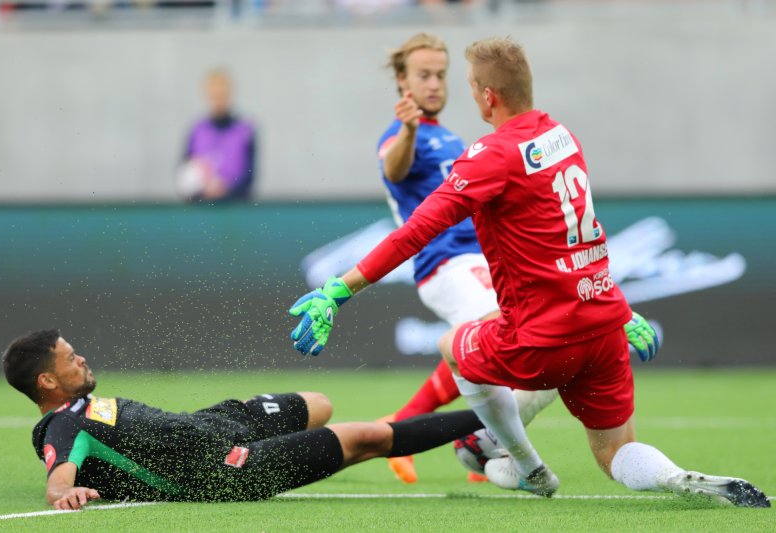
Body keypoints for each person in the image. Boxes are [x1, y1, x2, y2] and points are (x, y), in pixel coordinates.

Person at [288, 37, 770, 507]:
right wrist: (622, 311)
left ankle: (522, 462)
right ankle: (670, 476)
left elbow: (415, 233)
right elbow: (589, 236)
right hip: (601, 325)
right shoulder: (562, 137)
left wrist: (339, 290)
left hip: (543, 337)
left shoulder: (489, 155)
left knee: (451, 347)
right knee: (614, 453)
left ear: (487, 95)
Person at [3, 330, 486, 509]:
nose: (82, 358)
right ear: (47, 381)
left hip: (212, 425)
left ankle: (328, 445)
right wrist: (66, 494)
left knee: (318, 403)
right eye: (70, 358)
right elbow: (57, 481)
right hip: (224, 468)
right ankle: (495, 419)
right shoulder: (60, 426)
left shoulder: (78, 409)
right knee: (367, 437)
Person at [375, 32, 557, 484]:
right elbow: (394, 169)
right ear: (403, 81)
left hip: (478, 261)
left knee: (478, 345)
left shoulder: (454, 139)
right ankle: (487, 445)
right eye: (423, 75)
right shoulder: (399, 135)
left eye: (440, 75)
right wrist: (409, 130)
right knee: (512, 339)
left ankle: (401, 430)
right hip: (444, 264)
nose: (434, 84)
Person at [179, 70, 256, 201]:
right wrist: (202, 192)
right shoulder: (197, 131)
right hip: (202, 207)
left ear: (230, 95)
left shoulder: (244, 131)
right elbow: (183, 175)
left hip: (235, 207)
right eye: (214, 95)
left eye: (222, 95)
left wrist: (227, 190)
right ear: (207, 95)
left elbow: (249, 176)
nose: (218, 100)